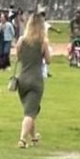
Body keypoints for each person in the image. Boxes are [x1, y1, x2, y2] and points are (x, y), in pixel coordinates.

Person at [13, 12, 52, 148]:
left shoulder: (21, 41)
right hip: (36, 79)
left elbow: (18, 57)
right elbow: (48, 60)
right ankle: (22, 139)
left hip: (22, 79)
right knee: (29, 113)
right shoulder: (43, 42)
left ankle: (34, 137)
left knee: (31, 109)